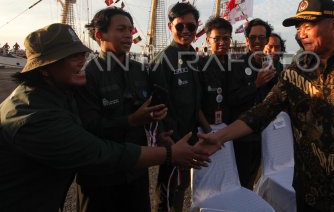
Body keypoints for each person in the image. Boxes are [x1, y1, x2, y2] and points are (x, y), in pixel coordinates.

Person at [198, 0, 334, 212]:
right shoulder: (295, 72)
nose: (300, 33)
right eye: (297, 26)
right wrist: (219, 137)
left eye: (308, 25)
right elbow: (261, 112)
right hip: (310, 194)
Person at [0, 23, 209, 212]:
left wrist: (157, 136)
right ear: (44, 69)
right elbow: (99, 152)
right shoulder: (34, 115)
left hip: (118, 179)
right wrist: (169, 154)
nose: (82, 60)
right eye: (73, 56)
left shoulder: (59, 91)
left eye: (81, 53)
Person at [74, 7, 167, 212]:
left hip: (135, 170)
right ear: (100, 35)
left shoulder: (139, 70)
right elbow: (88, 127)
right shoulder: (88, 75)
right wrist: (132, 120)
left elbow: (147, 107)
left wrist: (156, 122)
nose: (128, 35)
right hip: (101, 175)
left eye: (131, 30)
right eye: (121, 29)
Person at [149, 2, 201, 212]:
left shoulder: (195, 58)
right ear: (171, 27)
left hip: (191, 135)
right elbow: (156, 104)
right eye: (180, 26)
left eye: (191, 26)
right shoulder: (163, 60)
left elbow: (195, 99)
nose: (186, 31)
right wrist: (167, 139)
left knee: (182, 187)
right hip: (173, 139)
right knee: (168, 191)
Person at [227, 18, 276, 189]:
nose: (257, 42)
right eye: (253, 37)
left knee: (263, 178)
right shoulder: (236, 66)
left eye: (261, 38)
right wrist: (255, 85)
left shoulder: (271, 64)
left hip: (267, 133)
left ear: (266, 40)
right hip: (244, 135)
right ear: (247, 40)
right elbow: (231, 100)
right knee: (242, 181)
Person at [198, 17, 233, 133]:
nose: (222, 43)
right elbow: (195, 104)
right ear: (208, 40)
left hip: (227, 126)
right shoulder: (200, 66)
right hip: (206, 128)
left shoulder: (234, 67)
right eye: (217, 39)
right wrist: (208, 131)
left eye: (226, 38)